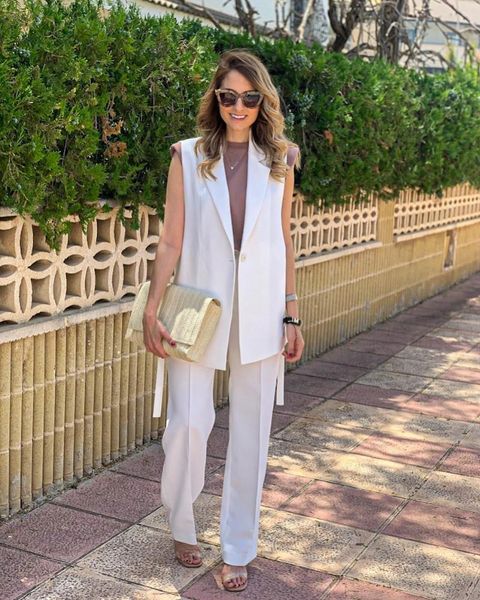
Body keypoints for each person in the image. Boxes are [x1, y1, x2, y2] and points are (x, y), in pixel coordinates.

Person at [143, 49, 304, 593]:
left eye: (250, 98)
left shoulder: (280, 159)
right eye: (229, 96)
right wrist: (152, 307)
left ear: (263, 102)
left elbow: (282, 239)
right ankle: (181, 523)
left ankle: (238, 548)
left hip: (261, 313)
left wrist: (290, 312)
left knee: (251, 434)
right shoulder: (187, 156)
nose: (239, 106)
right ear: (216, 98)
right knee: (189, 422)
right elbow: (171, 239)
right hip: (197, 311)